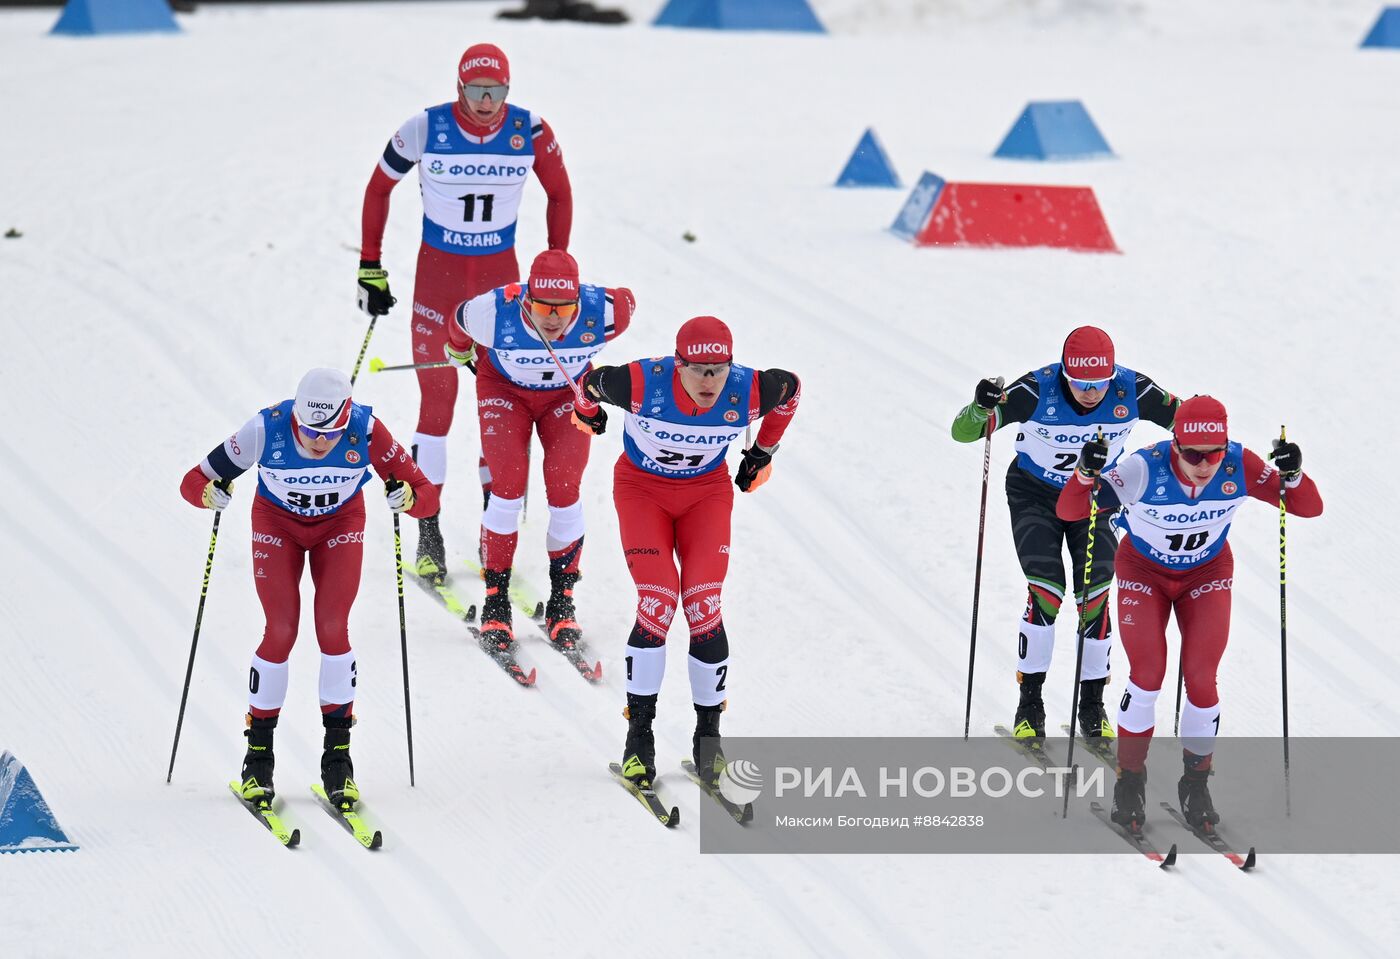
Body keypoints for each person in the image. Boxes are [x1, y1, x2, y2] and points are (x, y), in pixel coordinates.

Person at [356, 42, 573, 583]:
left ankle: (487, 525)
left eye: (496, 92)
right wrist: (369, 265)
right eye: (476, 91)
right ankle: (428, 530)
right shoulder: (424, 128)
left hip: (502, 288)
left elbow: (561, 193)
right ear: (458, 87)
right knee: (438, 406)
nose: (485, 102)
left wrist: (556, 263)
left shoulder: (532, 130)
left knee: (497, 406)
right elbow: (379, 188)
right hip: (438, 284)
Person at [1056, 396, 1322, 830]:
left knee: (1201, 677)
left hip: (1207, 574)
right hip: (1145, 571)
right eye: (1192, 454)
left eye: (1213, 453)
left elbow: (1308, 507)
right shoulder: (1144, 468)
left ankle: (1196, 783)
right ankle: (1131, 778)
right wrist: (1086, 474)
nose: (1204, 464)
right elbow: (1070, 510)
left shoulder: (1239, 464)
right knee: (1147, 675)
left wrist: (1292, 475)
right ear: (1174, 444)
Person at [179, 369, 439, 807]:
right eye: (310, 431)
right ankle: (257, 757)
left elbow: (427, 495)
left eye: (332, 433)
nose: (320, 443)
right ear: (296, 417)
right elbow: (191, 482)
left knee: (333, 628)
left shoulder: (367, 430)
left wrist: (410, 500)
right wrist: (208, 494)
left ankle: (338, 760)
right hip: (276, 524)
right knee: (280, 630)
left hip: (340, 524)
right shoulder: (266, 428)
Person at [572, 316, 801, 789]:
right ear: (678, 365)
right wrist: (589, 413)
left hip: (706, 495)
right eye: (697, 369)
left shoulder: (753, 390)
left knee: (704, 605)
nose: (709, 382)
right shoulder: (637, 382)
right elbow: (586, 385)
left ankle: (709, 742)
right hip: (642, 492)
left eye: (719, 370)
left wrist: (762, 452)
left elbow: (793, 391)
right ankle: (639, 739)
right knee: (657, 602)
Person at [950, 327, 1181, 743]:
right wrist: (977, 407)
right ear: (1064, 373)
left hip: (1096, 497)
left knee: (1094, 596)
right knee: (1047, 590)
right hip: (1035, 494)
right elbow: (963, 432)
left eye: (1099, 383)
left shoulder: (1133, 390)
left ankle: (1092, 706)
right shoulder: (1036, 389)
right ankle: (1030, 704)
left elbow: (1192, 426)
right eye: (1080, 383)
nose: (1091, 392)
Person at [444, 250, 634, 652]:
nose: (553, 318)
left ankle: (563, 602)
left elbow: (628, 299)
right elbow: (459, 319)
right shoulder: (493, 311)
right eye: (543, 307)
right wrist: (459, 350)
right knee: (508, 486)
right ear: (526, 299)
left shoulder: (608, 312)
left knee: (565, 489)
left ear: (579, 301)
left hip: (565, 395)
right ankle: (496, 603)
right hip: (504, 391)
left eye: (564, 309)